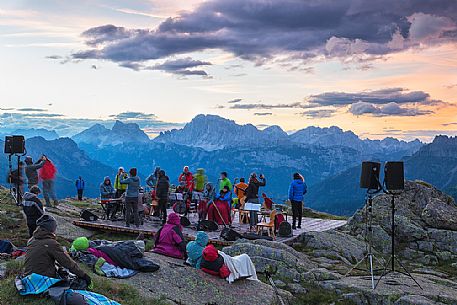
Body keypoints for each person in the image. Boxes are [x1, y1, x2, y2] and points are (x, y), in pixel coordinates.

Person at [24, 214, 92, 287]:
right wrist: (84, 275)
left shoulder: (31, 240)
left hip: (28, 276)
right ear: (51, 228)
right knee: (64, 272)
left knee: (56, 264)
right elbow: (67, 262)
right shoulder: (51, 243)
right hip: (43, 279)